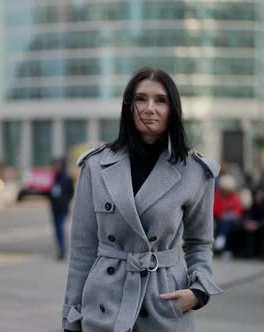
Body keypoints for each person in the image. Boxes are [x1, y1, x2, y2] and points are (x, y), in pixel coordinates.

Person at [62, 68, 222, 332]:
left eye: (160, 100)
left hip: (164, 304)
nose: (149, 108)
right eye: (140, 99)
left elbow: (199, 243)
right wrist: (71, 317)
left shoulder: (195, 171)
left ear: (173, 109)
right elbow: (82, 249)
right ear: (128, 107)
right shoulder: (95, 166)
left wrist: (198, 291)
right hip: (104, 305)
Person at [49, 158, 74, 260]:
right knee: (57, 229)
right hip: (54, 208)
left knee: (60, 228)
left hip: (63, 208)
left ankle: (62, 249)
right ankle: (61, 247)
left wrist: (65, 201)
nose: (55, 167)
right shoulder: (53, 178)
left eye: (57, 165)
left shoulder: (67, 178)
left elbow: (70, 192)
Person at [213, 174, 243, 258]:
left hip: (231, 220)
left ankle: (222, 238)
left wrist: (229, 213)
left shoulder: (234, 196)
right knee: (225, 223)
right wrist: (223, 212)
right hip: (218, 219)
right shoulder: (217, 195)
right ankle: (226, 249)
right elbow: (214, 209)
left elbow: (238, 210)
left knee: (228, 223)